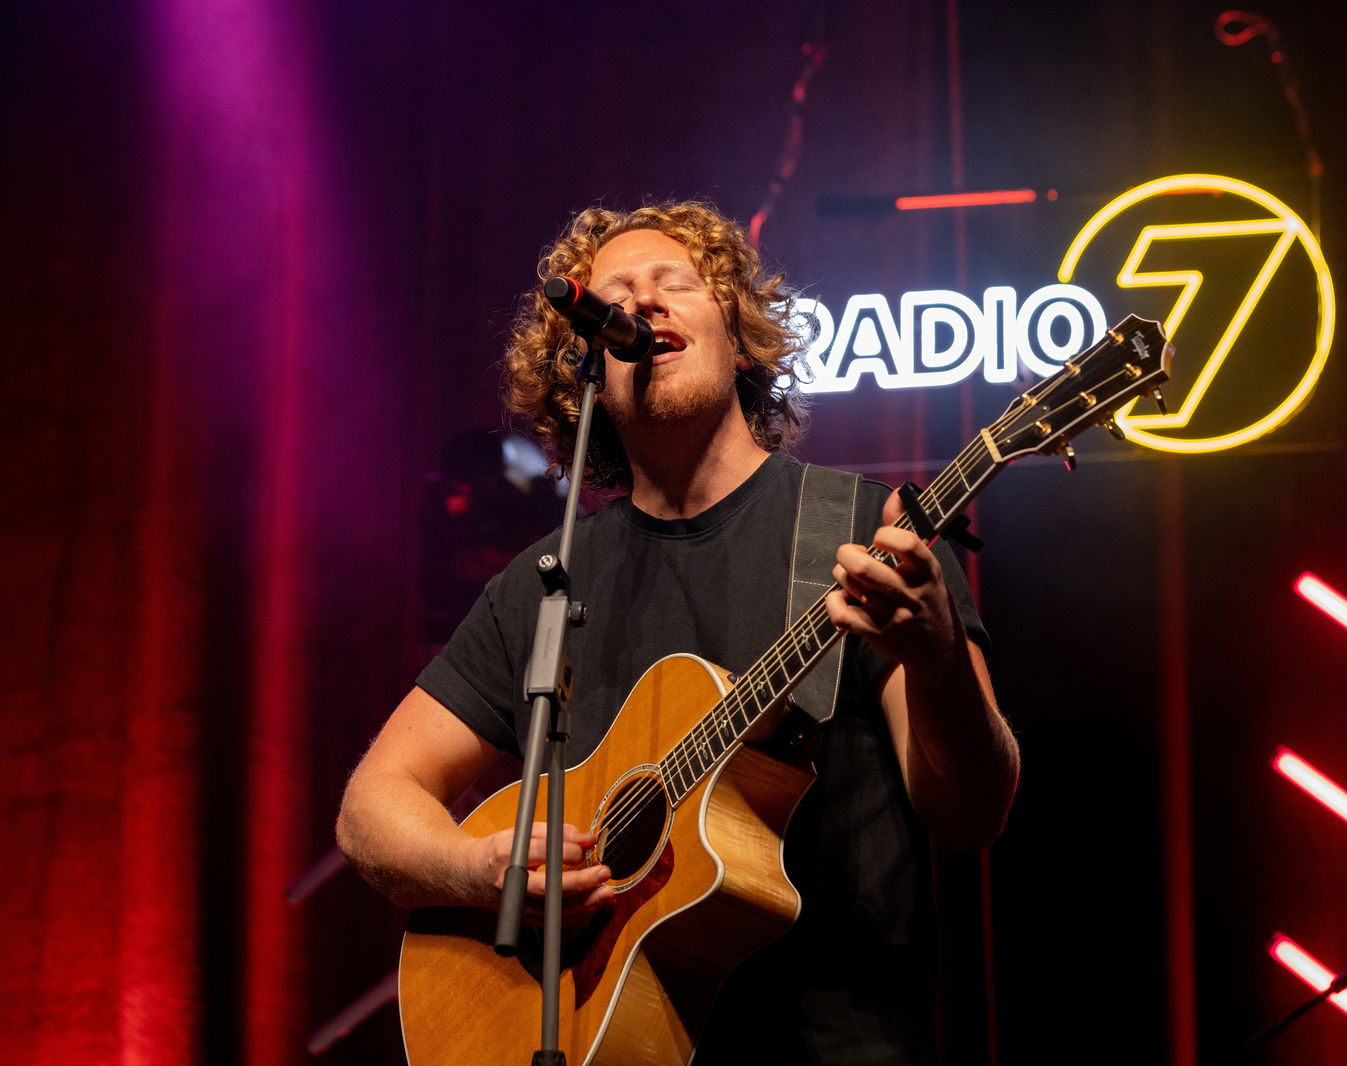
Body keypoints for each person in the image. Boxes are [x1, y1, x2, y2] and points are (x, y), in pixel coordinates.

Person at [336, 201, 1019, 1064]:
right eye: (616, 296)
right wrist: (481, 871)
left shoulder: (866, 533)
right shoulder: (545, 583)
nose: (643, 305)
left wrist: (936, 655)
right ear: (583, 372)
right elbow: (372, 809)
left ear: (740, 342)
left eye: (676, 284)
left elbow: (972, 815)